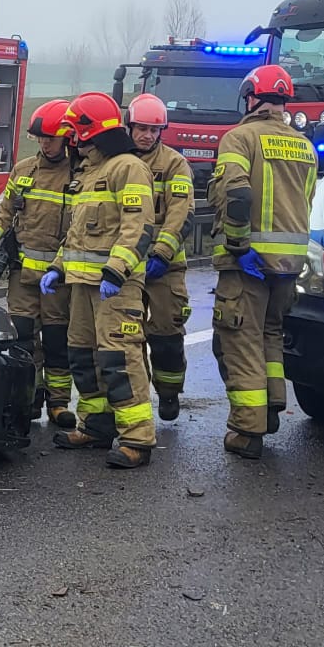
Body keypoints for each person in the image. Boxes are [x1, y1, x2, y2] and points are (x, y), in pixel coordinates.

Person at [40, 92, 157, 469]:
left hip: (115, 288)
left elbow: (138, 228)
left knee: (118, 359)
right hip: (81, 286)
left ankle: (137, 438)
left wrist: (116, 270)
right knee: (83, 358)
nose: (73, 140)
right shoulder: (89, 175)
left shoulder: (128, 168)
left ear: (93, 131)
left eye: (77, 132)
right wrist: (58, 267)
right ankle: (95, 426)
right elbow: (76, 236)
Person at [211, 64, 317, 460]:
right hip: (288, 265)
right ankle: (272, 406)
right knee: (270, 334)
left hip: (248, 264)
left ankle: (247, 429)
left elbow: (236, 194)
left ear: (251, 98)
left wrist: (238, 246)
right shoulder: (304, 146)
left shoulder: (239, 138)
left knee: (239, 340)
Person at [0, 100, 78, 424]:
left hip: (57, 279)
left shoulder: (79, 175)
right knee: (23, 340)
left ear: (67, 138)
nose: (45, 143)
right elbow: (5, 217)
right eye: (41, 138)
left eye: (52, 138)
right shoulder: (24, 170)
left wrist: (60, 267)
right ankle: (29, 399)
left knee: (57, 343)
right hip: (23, 276)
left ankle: (58, 404)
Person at [127, 93, 195, 421]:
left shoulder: (174, 164)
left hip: (164, 268)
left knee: (167, 334)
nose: (148, 136)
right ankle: (134, 401)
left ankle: (169, 393)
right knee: (127, 336)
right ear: (130, 127)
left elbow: (181, 212)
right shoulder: (121, 162)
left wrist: (162, 253)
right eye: (142, 129)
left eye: (155, 130)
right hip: (126, 266)